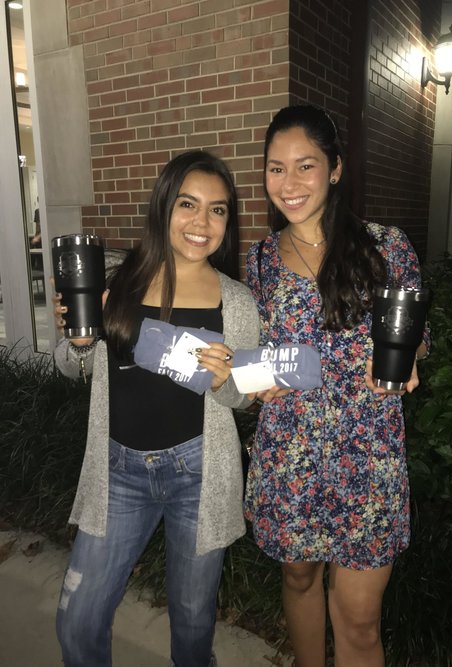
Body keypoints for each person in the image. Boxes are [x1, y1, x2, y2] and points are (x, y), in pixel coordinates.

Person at [53, 150, 260, 667]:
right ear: (164, 206)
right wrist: (78, 344)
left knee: (192, 628)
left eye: (217, 210)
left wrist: (224, 382)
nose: (201, 222)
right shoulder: (117, 280)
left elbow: (246, 397)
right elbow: (71, 367)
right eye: (188, 204)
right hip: (118, 473)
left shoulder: (237, 302)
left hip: (199, 474)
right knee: (77, 621)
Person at [244, 105, 429, 667]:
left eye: (306, 166)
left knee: (359, 620)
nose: (289, 183)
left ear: (335, 170)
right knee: (299, 581)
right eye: (276, 168)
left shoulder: (386, 247)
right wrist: (256, 380)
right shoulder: (259, 262)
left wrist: (413, 355)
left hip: (367, 458)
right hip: (289, 457)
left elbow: (419, 335)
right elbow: (245, 349)